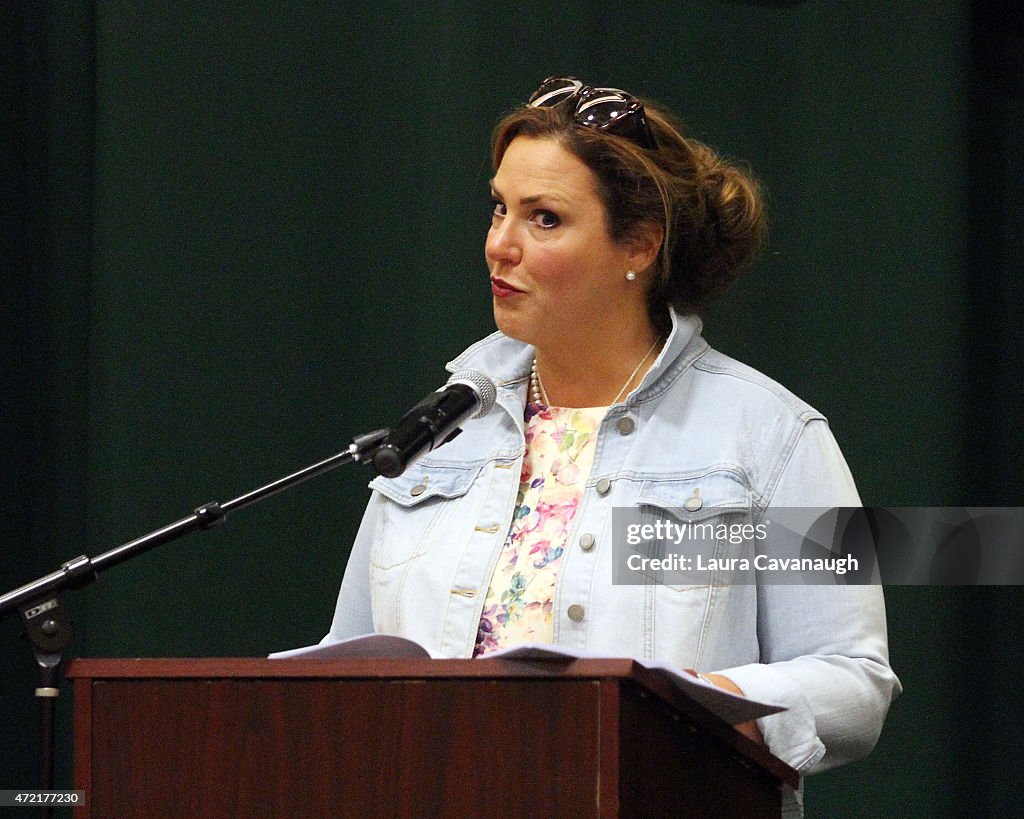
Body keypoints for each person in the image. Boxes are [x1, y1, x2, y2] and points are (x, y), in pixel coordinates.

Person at [325, 76, 900, 807]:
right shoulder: (441, 431)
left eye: (545, 219)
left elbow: (853, 679)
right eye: (500, 207)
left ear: (640, 245)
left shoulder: (771, 436)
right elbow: (345, 676)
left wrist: (686, 707)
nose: (499, 245)